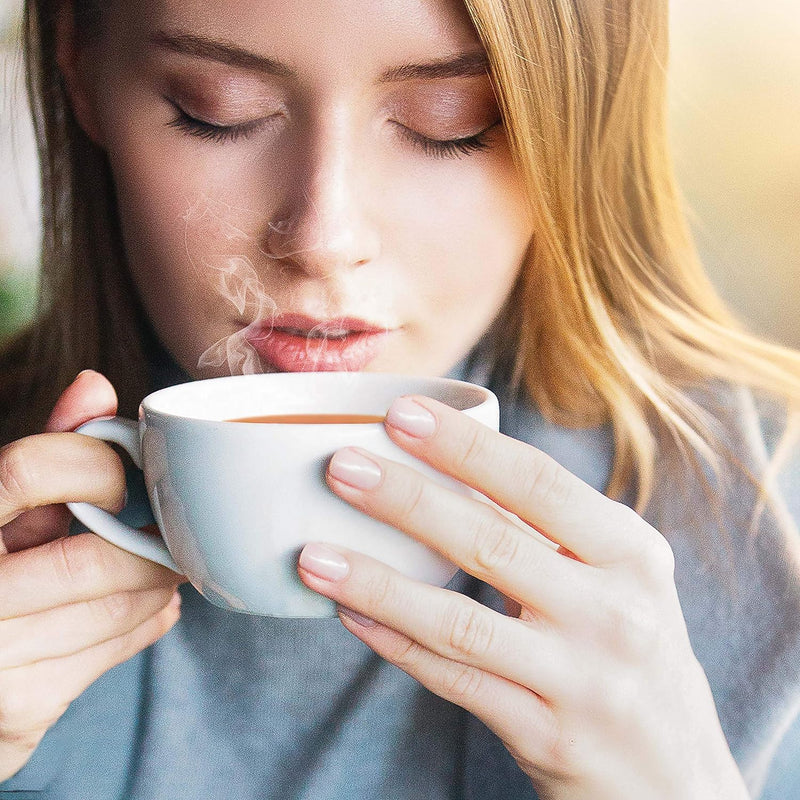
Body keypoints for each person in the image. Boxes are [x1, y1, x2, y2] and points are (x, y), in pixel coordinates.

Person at [1, 0, 799, 797]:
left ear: (576, 124)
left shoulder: (773, 509)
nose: (324, 238)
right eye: (219, 110)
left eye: (449, 122)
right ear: (80, 70)